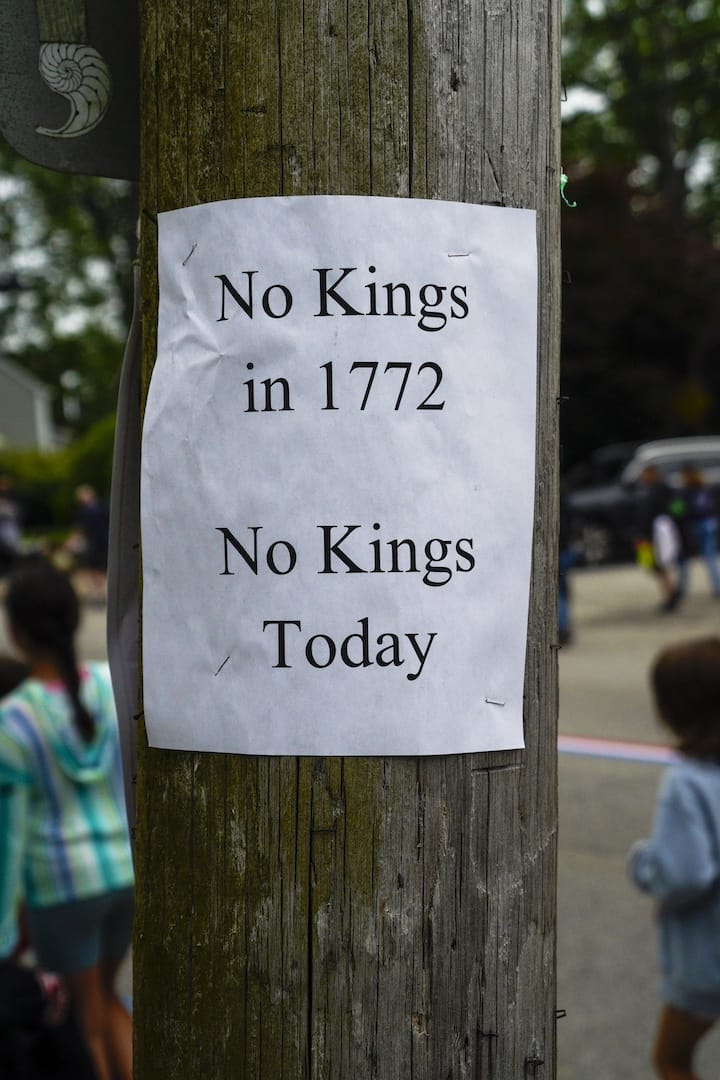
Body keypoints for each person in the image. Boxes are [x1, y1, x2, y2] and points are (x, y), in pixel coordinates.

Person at [0, 560, 134, 1080]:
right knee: (108, 1000)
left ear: (14, 631)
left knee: (85, 1022)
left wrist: (6, 931)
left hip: (61, 887)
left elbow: (9, 836)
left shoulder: (14, 719)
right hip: (123, 873)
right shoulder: (108, 686)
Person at [628, 637, 720, 1079]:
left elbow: (684, 875)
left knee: (672, 1059)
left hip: (708, 958)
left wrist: (644, 864)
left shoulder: (688, 783)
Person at [634, 465, 683, 613]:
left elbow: (675, 509)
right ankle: (671, 592)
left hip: (656, 533)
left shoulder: (660, 490)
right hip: (648, 534)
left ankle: (670, 594)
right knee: (649, 564)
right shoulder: (648, 490)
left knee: (659, 565)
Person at [675, 466, 720, 600]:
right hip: (708, 523)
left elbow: (679, 510)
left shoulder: (684, 492)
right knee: (710, 557)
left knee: (684, 559)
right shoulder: (706, 488)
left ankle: (681, 590)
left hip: (693, 526)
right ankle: (717, 587)